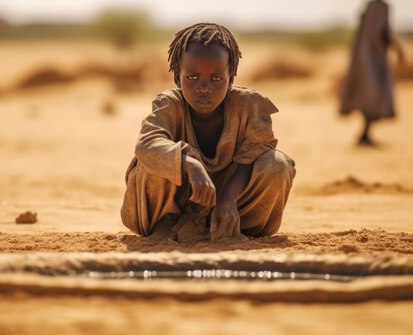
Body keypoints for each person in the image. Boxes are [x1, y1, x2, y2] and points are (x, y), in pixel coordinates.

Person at [120, 23, 296, 242]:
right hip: (171, 207)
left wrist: (228, 198)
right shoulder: (169, 104)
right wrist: (188, 163)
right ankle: (166, 224)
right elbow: (147, 143)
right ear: (177, 77)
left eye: (216, 78)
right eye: (192, 78)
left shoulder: (248, 105)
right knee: (152, 156)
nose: (204, 88)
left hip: (231, 204)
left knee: (276, 163)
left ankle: (236, 227)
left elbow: (256, 149)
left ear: (231, 78)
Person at [340, 0, 405, 146]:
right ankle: (365, 134)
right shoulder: (381, 6)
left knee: (370, 95)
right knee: (373, 95)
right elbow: (382, 33)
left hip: (365, 56)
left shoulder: (369, 5)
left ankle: (365, 133)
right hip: (373, 58)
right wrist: (397, 48)